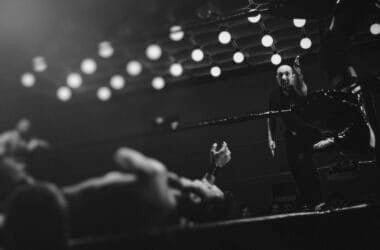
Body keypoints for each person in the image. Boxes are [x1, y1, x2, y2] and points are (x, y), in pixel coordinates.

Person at [267, 60, 323, 209]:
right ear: (276, 78)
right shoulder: (274, 95)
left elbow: (303, 90)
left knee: (308, 166)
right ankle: (306, 199)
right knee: (294, 168)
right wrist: (271, 139)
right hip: (291, 135)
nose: (284, 77)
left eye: (287, 74)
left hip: (307, 133)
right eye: (280, 75)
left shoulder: (297, 89)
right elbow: (271, 118)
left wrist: (299, 74)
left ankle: (317, 200)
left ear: (291, 76)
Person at [0, 119, 49, 207]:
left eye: (28, 126)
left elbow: (45, 146)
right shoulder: (8, 136)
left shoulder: (26, 140)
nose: (27, 128)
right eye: (24, 125)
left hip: (21, 174)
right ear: (18, 125)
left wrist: (37, 146)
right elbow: (1, 154)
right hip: (11, 173)